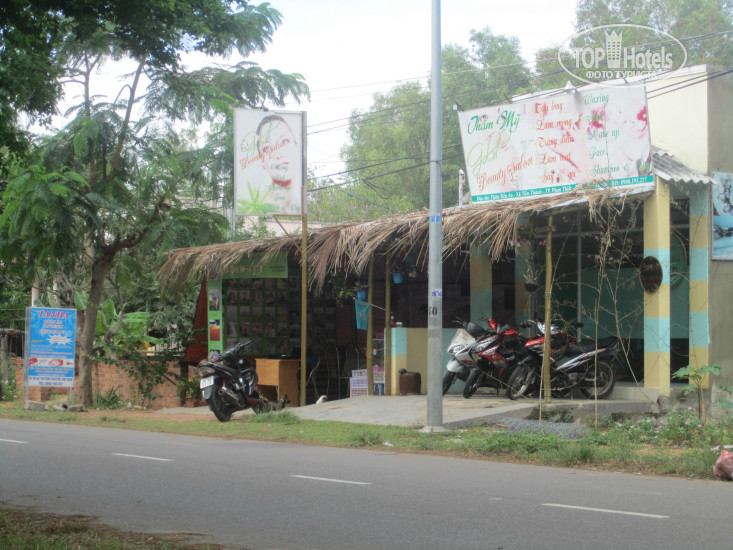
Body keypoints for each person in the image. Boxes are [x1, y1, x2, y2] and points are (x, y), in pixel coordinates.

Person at [256, 115, 301, 214]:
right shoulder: (259, 207)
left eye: (284, 142)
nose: (278, 154)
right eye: (267, 148)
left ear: (297, 147)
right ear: (262, 160)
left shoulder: (298, 206)